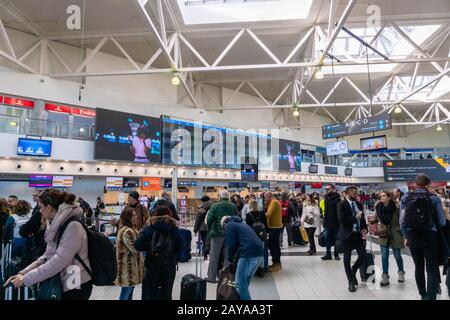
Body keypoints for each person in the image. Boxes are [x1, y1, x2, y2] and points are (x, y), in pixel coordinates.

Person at [5, 189, 92, 300]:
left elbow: (58, 261)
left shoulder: (72, 226)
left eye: (40, 207)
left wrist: (26, 279)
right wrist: (23, 273)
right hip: (65, 281)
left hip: (75, 284)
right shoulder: (57, 224)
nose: (39, 211)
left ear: (49, 207)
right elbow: (47, 255)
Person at [400, 175, 447, 300]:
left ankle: (423, 295)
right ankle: (431, 297)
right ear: (428, 184)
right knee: (431, 268)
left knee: (418, 267)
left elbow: (402, 221)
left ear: (415, 184)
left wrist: (405, 235)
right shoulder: (433, 197)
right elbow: (442, 221)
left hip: (413, 236)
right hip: (430, 236)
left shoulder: (406, 197)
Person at [134, 205, 181, 300]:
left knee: (150, 293)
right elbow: (181, 246)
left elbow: (137, 245)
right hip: (169, 265)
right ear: (169, 214)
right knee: (167, 293)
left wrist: (148, 247)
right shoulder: (173, 228)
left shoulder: (149, 228)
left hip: (152, 265)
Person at [222, 215, 264, 300]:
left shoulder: (229, 225)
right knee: (244, 284)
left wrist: (230, 260)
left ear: (224, 223)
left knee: (240, 285)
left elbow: (231, 245)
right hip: (259, 252)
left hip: (248, 253)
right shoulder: (242, 224)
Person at [337, 186, 368, 293]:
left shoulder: (358, 204)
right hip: (347, 236)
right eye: (354, 193)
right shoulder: (342, 204)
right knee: (347, 259)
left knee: (363, 255)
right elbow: (342, 220)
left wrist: (364, 228)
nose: (356, 195)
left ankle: (353, 270)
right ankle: (350, 282)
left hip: (358, 235)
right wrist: (355, 218)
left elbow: (362, 218)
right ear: (347, 193)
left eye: (357, 193)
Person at [371, 191, 405, 286]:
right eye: (380, 196)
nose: (382, 197)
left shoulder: (397, 207)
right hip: (383, 233)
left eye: (384, 196)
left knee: (397, 255)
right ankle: (385, 275)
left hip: (395, 233)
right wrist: (371, 225)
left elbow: (402, 220)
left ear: (389, 197)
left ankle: (401, 272)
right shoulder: (378, 208)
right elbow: (375, 219)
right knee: (384, 256)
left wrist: (404, 233)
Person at [206, 190, 237, 283]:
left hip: (217, 234)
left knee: (214, 257)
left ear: (220, 196)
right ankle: (227, 278)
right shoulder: (233, 206)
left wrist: (209, 230)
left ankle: (211, 278)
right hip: (229, 234)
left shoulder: (215, 206)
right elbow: (237, 218)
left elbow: (209, 219)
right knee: (227, 257)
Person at [115, 207, 144, 300]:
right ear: (128, 217)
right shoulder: (128, 231)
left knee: (128, 292)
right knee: (126, 293)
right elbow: (135, 248)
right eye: (133, 216)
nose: (135, 217)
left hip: (128, 267)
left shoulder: (128, 229)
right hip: (128, 268)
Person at [19, 190, 47, 263]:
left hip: (37, 243)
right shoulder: (37, 208)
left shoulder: (38, 211)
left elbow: (25, 229)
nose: (34, 197)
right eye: (33, 195)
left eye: (36, 196)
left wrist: (27, 229)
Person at [245, 199, 268, 274]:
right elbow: (265, 225)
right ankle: (263, 268)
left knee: (253, 253)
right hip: (261, 235)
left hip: (252, 236)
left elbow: (247, 227)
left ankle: (254, 269)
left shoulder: (248, 215)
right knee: (262, 252)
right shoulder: (262, 213)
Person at [322, 185, 341, 261]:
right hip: (327, 222)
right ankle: (328, 254)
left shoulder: (337, 198)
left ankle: (336, 254)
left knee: (336, 238)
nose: (326, 190)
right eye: (326, 189)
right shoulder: (326, 197)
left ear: (333, 189)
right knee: (327, 238)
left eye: (328, 189)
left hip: (336, 222)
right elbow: (326, 211)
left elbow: (339, 211)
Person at [265, 192, 283, 272]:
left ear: (269, 197)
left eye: (265, 198)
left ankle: (277, 263)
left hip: (275, 227)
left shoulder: (274, 202)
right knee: (274, 245)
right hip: (275, 226)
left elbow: (268, 214)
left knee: (273, 246)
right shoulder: (274, 202)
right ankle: (276, 263)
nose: (265, 199)